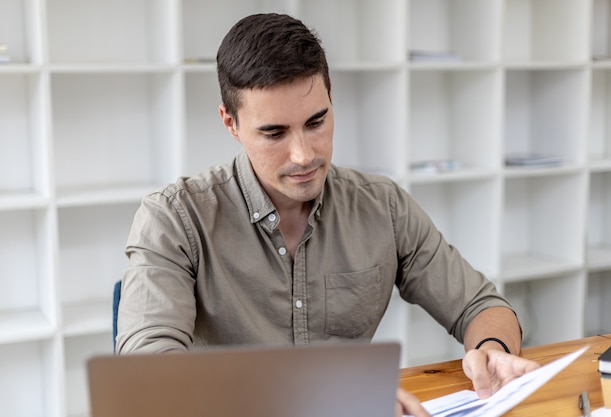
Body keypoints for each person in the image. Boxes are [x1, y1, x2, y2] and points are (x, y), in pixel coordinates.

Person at [116, 13, 540, 416]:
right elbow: (146, 375)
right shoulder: (175, 218)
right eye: (274, 133)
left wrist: (494, 353)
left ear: (332, 100)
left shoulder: (383, 206)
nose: (303, 155)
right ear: (231, 123)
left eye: (316, 122)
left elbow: (480, 304)